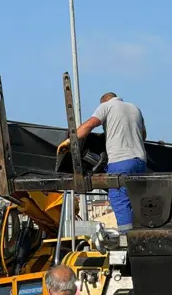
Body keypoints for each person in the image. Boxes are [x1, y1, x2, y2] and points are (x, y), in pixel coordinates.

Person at [57, 92, 147, 231]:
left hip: (120, 161)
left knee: (119, 198)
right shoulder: (134, 108)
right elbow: (143, 135)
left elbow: (89, 125)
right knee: (136, 199)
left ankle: (128, 238)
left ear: (103, 102)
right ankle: (140, 233)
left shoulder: (107, 106)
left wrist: (69, 141)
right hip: (140, 161)